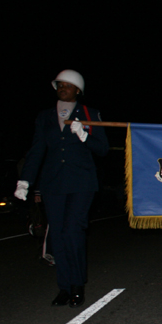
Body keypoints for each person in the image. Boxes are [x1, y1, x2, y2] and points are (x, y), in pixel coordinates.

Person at [14, 70, 109, 307]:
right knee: (57, 234)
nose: (62, 88)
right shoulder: (45, 116)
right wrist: (25, 181)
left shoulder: (90, 113)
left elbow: (103, 149)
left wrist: (84, 134)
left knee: (72, 232)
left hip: (81, 182)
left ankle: (77, 286)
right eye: (59, 85)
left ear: (78, 90)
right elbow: (37, 150)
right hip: (53, 183)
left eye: (68, 85)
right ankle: (64, 287)